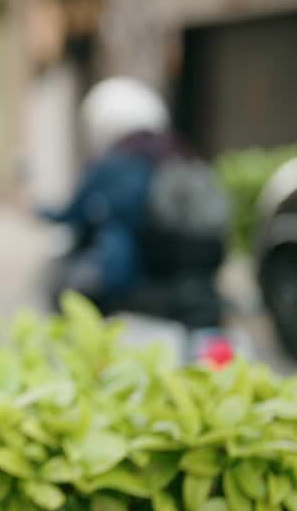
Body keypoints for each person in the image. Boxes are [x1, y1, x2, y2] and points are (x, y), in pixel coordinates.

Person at [41, 77, 228, 330]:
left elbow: (74, 214)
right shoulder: (180, 152)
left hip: (131, 275)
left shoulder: (111, 164)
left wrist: (41, 211)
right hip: (193, 272)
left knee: (75, 290)